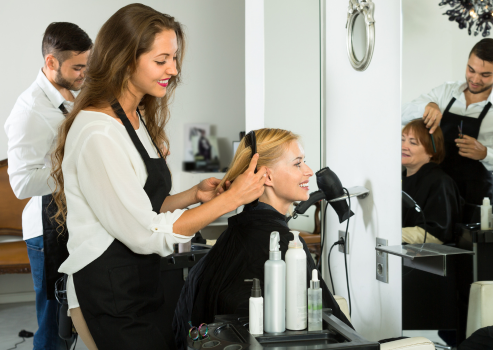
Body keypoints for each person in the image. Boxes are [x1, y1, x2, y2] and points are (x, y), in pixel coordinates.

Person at [49, 4, 267, 350]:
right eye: (161, 60)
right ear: (125, 59)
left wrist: (195, 195)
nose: (173, 69)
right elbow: (144, 233)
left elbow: (144, 206)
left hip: (139, 281)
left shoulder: (133, 117)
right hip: (106, 291)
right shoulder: (99, 134)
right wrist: (231, 199)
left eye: (175, 58)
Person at [173, 128, 351, 350]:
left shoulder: (237, 229)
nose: (308, 171)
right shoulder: (287, 244)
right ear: (267, 176)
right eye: (298, 164)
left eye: (305, 162)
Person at [4, 22, 92, 350]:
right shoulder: (28, 112)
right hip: (46, 229)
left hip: (71, 221)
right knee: (55, 324)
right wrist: (77, 169)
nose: (85, 74)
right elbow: (22, 183)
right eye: (78, 67)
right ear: (51, 63)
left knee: (71, 316)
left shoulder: (69, 96)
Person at [402, 38, 493, 222]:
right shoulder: (445, 92)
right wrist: (428, 106)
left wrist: (486, 154)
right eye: (471, 70)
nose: (475, 79)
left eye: (485, 74)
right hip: (435, 195)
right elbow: (400, 114)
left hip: (476, 201)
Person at [401, 119, 463, 244]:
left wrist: (391, 233)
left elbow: (435, 234)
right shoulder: (399, 179)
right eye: (402, 140)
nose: (403, 146)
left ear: (430, 151)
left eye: (413, 143)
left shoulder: (440, 183)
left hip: (423, 259)